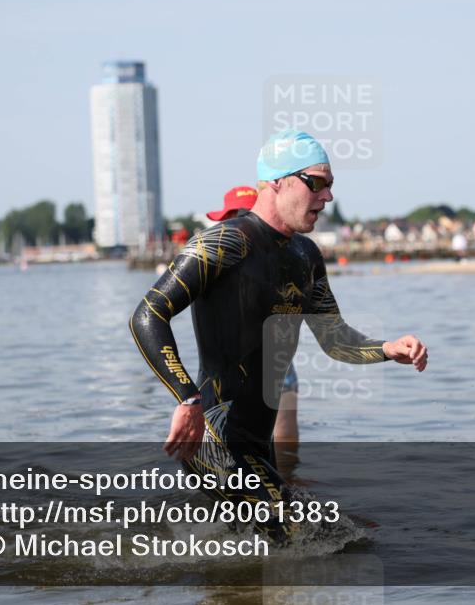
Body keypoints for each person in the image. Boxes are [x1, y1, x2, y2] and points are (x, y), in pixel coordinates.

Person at [130, 129, 428, 543]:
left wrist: (387, 349)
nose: (327, 197)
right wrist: (186, 398)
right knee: (313, 540)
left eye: (331, 185)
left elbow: (334, 338)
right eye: (317, 182)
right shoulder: (222, 244)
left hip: (258, 442)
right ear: (277, 182)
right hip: (216, 436)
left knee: (307, 545)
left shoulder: (306, 256)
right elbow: (148, 314)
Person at [206, 185, 300, 449]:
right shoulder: (286, 254)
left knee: (230, 458)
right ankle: (289, 482)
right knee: (285, 451)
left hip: (236, 372)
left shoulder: (222, 257)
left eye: (227, 220)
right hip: (278, 364)